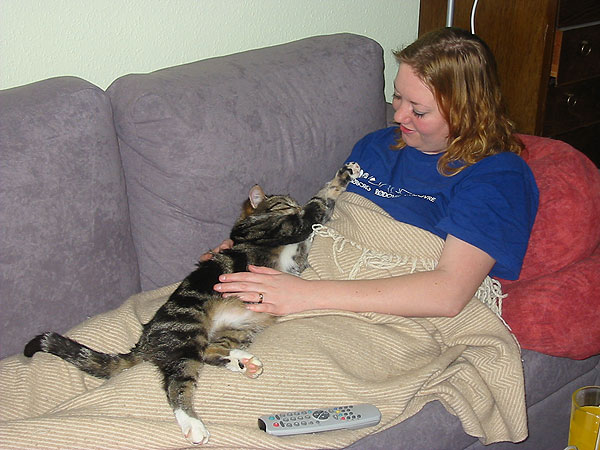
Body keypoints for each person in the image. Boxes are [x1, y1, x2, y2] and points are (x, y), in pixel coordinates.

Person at [210, 27, 539, 318]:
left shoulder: (499, 175)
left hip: (380, 310)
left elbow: (449, 292)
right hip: (317, 280)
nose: (398, 116)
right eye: (397, 96)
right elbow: (324, 227)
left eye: (418, 111)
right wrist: (254, 249)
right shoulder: (377, 146)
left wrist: (305, 295)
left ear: (468, 112)